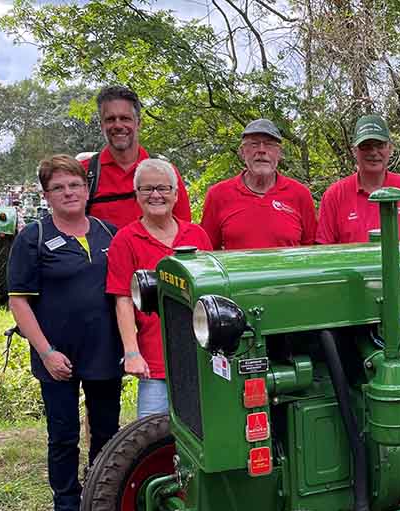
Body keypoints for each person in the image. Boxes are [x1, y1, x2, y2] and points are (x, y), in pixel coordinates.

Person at [7, 154, 123, 511]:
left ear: (87, 189)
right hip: (56, 356)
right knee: (63, 434)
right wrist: (46, 352)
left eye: (74, 185)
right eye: (58, 187)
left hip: (104, 351)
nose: (68, 192)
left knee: (107, 431)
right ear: (46, 194)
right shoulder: (33, 238)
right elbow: (19, 302)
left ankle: (103, 501)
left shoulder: (109, 233)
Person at [106, 158, 214, 418]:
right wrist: (132, 352)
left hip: (199, 358)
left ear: (176, 195)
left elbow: (213, 295)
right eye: (147, 189)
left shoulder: (197, 236)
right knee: (153, 437)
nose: (156, 195)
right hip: (155, 363)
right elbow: (122, 300)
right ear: (137, 195)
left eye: (163, 188)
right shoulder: (126, 240)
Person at [315, 115, 400, 244]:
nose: (373, 152)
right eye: (366, 146)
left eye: (380, 145)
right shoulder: (334, 194)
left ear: (390, 148)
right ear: (354, 151)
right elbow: (323, 247)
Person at [82, 85, 192, 227]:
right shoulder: (83, 174)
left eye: (125, 118)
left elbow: (185, 232)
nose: (118, 125)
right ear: (101, 125)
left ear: (138, 123)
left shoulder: (165, 173)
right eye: (110, 119)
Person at [200, 119, 317, 249]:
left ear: (279, 153)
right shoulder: (218, 195)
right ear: (242, 152)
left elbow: (311, 252)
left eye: (269, 144)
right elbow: (208, 253)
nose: (261, 150)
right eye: (254, 144)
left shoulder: (300, 194)